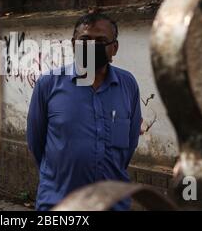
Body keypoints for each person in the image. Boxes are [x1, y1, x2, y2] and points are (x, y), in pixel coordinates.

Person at [27, 12, 142, 211]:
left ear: (114, 48)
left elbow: (129, 145)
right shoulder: (49, 85)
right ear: (73, 45)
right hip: (59, 203)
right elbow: (36, 143)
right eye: (85, 40)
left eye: (100, 41)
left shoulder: (128, 85)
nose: (91, 46)